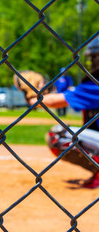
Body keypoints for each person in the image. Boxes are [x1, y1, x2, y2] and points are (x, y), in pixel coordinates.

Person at [27, 36, 99, 188]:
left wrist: (31, 96)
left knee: (58, 135)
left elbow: (52, 102)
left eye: (94, 58)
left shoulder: (95, 87)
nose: (91, 63)